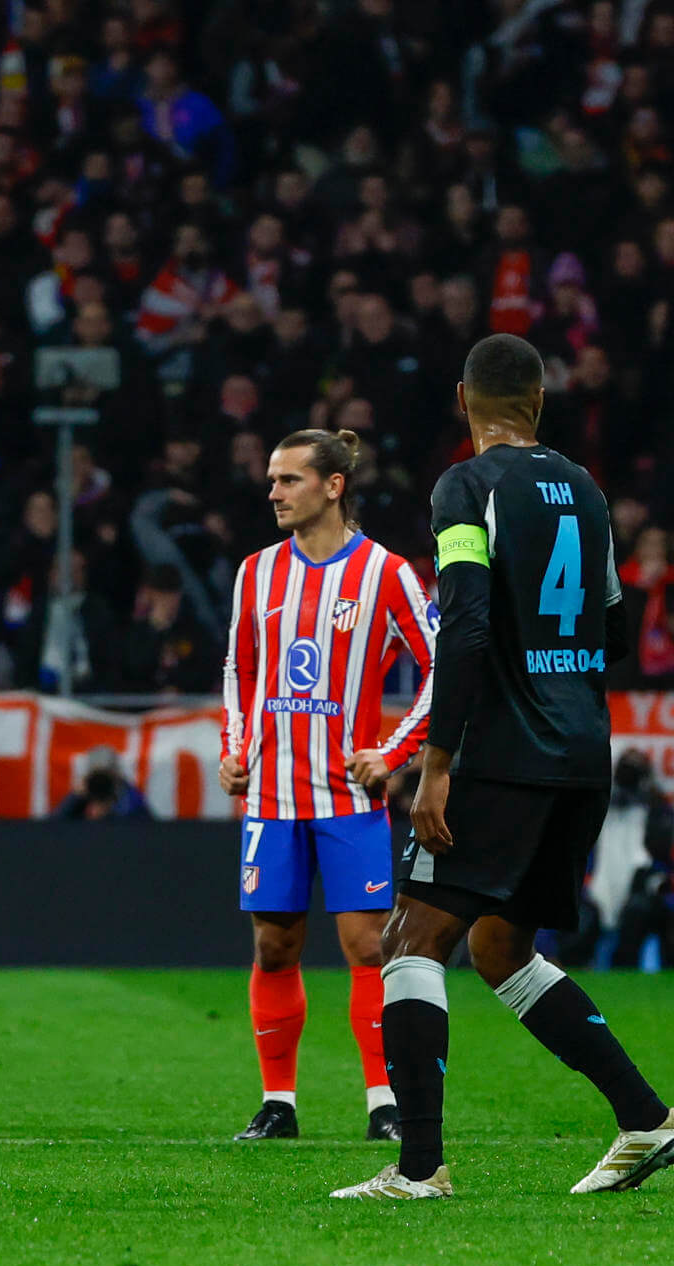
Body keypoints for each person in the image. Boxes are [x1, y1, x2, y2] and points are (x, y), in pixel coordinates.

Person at [333, 334, 674, 1202]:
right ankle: (646, 1119)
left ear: (464, 399)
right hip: (583, 751)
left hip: (504, 752)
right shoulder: (586, 491)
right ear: (538, 400)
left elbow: (463, 625)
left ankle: (419, 1168)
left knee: (409, 940)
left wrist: (438, 763)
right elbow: (611, 624)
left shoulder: (465, 487)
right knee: (499, 947)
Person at [220, 428, 437, 1143]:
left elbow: (443, 668)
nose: (274, 493)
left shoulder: (386, 573)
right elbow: (239, 671)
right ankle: (277, 1103)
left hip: (349, 799)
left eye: (289, 480)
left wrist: (394, 752)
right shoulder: (257, 572)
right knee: (273, 947)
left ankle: (384, 1103)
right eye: (272, 480)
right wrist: (233, 750)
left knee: (368, 948)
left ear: (333, 485)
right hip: (272, 798)